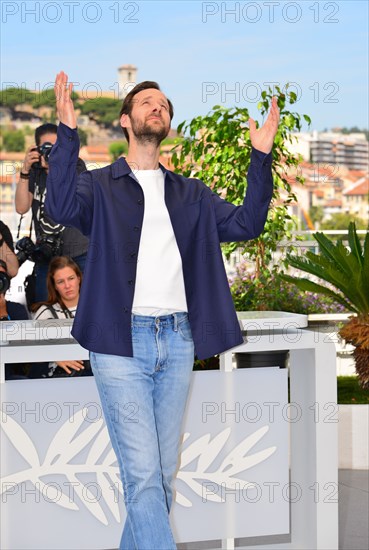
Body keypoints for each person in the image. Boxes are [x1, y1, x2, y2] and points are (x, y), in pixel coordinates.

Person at [45, 71, 279, 550]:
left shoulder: (191, 193)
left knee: (160, 479)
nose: (158, 107)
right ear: (126, 121)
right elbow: (62, 204)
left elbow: (249, 222)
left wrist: (261, 157)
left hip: (177, 341)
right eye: (147, 102)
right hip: (119, 341)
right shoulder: (100, 186)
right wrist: (68, 134)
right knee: (145, 480)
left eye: (164, 104)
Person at [15, 123, 89, 303]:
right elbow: (21, 207)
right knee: (42, 306)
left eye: (58, 147)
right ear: (38, 150)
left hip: (78, 252)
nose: (53, 153)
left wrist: (59, 164)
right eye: (48, 148)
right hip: (46, 253)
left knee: (86, 306)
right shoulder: (35, 171)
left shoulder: (76, 166)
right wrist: (25, 171)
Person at [31, 255, 91, 377]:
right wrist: (55, 357)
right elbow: (30, 350)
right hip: (59, 379)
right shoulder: (45, 312)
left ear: (79, 278)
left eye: (71, 278)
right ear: (54, 286)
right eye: (60, 281)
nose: (67, 286)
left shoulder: (97, 307)